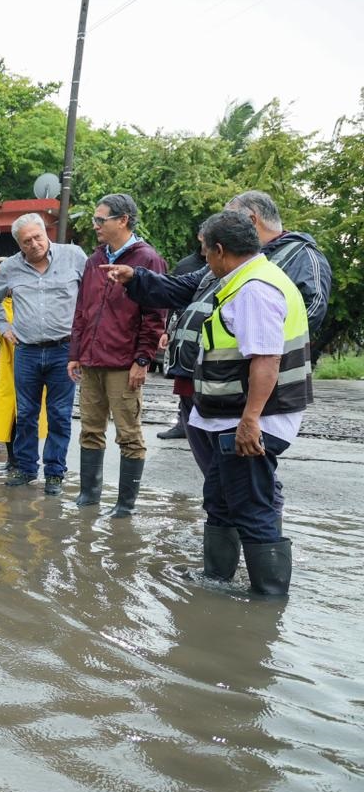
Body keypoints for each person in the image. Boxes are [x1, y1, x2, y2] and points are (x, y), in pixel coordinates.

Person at [105, 211, 311, 596]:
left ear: (219, 250)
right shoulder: (236, 279)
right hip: (227, 417)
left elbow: (266, 360)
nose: (202, 259)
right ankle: (216, 579)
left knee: (252, 506)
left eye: (204, 251)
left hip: (252, 420)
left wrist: (250, 421)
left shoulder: (255, 289)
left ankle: (268, 599)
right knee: (219, 499)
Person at [68, 194, 167, 516]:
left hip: (124, 363)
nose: (95, 225)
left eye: (101, 220)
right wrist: (76, 352)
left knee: (129, 435)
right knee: (90, 430)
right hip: (92, 360)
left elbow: (155, 316)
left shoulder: (147, 259)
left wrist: (142, 360)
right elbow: (82, 310)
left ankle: (125, 505)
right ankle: (89, 495)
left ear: (122, 220)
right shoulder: (94, 260)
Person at [0, 213, 87, 495]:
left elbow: (93, 292)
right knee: (26, 413)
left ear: (46, 234)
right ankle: (26, 468)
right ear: (19, 244)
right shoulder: (11, 268)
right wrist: (4, 327)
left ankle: (55, 473)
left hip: (64, 350)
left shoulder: (74, 256)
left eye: (37, 237)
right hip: (27, 351)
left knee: (59, 414)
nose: (34, 244)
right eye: (26, 241)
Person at [226, 190, 332, 354]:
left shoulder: (305, 256)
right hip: (236, 365)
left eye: (230, 222)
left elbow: (313, 309)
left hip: (272, 364)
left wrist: (264, 345)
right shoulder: (245, 255)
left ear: (252, 220)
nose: (225, 230)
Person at [0, 257, 46, 470]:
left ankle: (26, 461)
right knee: (8, 416)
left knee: (27, 415)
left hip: (32, 366)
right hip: (9, 368)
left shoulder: (27, 299)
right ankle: (12, 460)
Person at [156, 248, 207, 442]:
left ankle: (200, 426)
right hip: (186, 337)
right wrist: (167, 331)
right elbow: (173, 299)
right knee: (184, 382)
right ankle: (183, 423)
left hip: (210, 338)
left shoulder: (226, 264)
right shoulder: (186, 266)